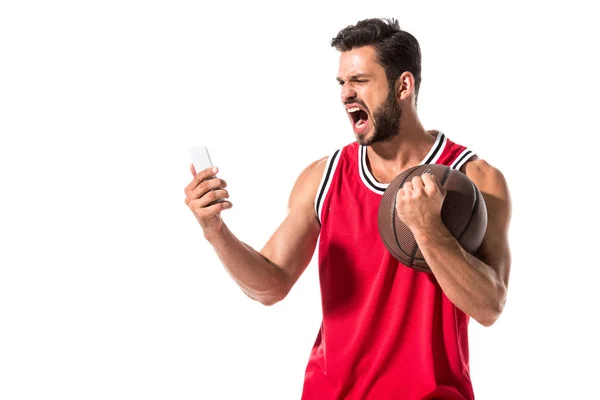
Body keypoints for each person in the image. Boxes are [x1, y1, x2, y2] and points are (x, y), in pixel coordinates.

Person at [184, 18, 511, 400]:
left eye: (360, 81)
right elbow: (271, 285)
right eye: (342, 83)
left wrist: (429, 230)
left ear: (403, 86)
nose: (345, 95)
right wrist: (214, 230)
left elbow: (490, 306)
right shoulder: (323, 177)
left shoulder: (474, 179)